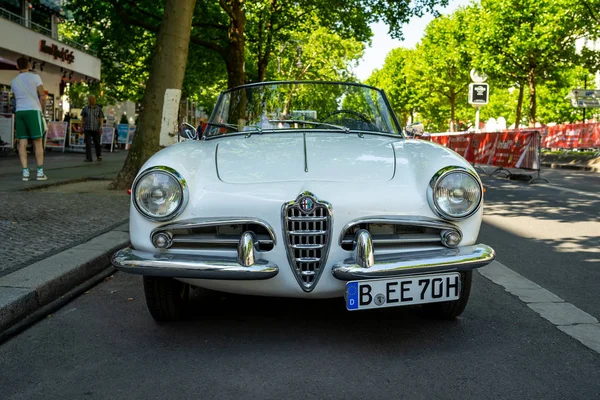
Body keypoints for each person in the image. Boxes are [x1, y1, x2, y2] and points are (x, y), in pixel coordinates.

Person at [10, 56, 47, 181]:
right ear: (29, 65)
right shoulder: (35, 77)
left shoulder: (14, 81)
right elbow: (42, 96)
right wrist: (41, 109)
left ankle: (25, 172)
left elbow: (15, 98)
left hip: (20, 111)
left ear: (17, 66)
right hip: (33, 110)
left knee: (22, 142)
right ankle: (40, 172)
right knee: (38, 141)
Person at [80, 95, 104, 162]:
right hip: (87, 128)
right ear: (89, 100)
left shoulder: (98, 109)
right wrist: (81, 127)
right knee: (88, 143)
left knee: (97, 143)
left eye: (94, 99)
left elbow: (101, 118)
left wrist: (101, 127)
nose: (93, 101)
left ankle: (99, 155)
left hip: (96, 128)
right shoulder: (85, 108)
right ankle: (89, 157)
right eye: (91, 99)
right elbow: (82, 118)